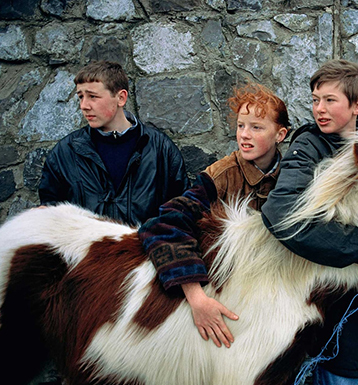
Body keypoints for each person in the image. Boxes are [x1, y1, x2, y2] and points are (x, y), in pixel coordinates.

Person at [261, 59, 358, 385]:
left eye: (329, 100)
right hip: (335, 306)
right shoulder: (309, 147)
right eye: (314, 99)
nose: (319, 109)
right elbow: (280, 210)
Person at [139, 82, 289, 348]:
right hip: (224, 297)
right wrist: (197, 298)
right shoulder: (220, 176)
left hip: (274, 301)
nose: (244, 134)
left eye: (256, 127)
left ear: (280, 134)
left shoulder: (292, 177)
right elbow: (163, 225)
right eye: (241, 125)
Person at [39, 60, 188, 225]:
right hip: (85, 250)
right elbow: (52, 215)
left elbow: (182, 211)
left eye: (92, 97)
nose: (84, 106)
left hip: (145, 249)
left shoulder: (160, 149)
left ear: (121, 98)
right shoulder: (64, 152)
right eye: (81, 97)